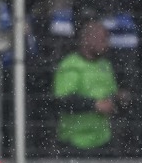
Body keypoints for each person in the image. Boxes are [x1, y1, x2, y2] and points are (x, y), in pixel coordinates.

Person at [53, 22, 126, 154]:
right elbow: (63, 100)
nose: (106, 44)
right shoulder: (71, 64)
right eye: (102, 39)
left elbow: (110, 93)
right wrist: (94, 105)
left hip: (103, 139)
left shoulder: (105, 65)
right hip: (75, 141)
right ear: (87, 39)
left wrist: (119, 98)